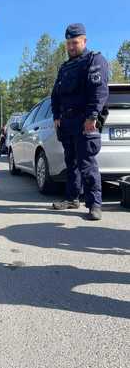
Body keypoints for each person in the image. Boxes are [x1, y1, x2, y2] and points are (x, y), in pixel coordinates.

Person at [51, 23, 109, 220]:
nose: (71, 47)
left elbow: (99, 91)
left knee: (87, 163)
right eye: (68, 43)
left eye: (74, 42)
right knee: (71, 163)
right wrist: (56, 116)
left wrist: (93, 116)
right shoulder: (65, 67)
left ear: (84, 41)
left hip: (85, 121)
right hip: (67, 122)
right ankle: (72, 198)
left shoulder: (94, 60)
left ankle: (95, 204)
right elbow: (55, 95)